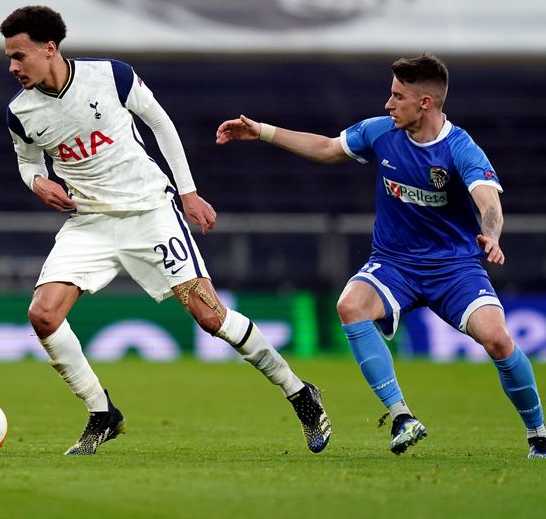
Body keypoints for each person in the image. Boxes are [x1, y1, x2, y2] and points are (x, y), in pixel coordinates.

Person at [0, 5, 331, 455]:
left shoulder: (111, 76)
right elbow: (27, 161)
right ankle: (102, 413)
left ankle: (299, 392)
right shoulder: (21, 112)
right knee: (43, 314)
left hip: (149, 212)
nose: (13, 67)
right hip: (90, 221)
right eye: (9, 58)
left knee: (210, 316)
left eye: (20, 56)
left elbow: (160, 122)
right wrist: (38, 183)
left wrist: (188, 193)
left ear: (50, 48)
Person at [216, 53, 546, 458]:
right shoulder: (380, 132)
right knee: (350, 306)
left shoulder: (461, 148)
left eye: (397, 96)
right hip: (395, 263)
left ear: (424, 103)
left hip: (454, 267)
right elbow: (325, 148)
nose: (388, 104)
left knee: (497, 339)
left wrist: (491, 236)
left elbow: (488, 202)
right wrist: (262, 131)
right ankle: (401, 416)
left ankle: (539, 434)